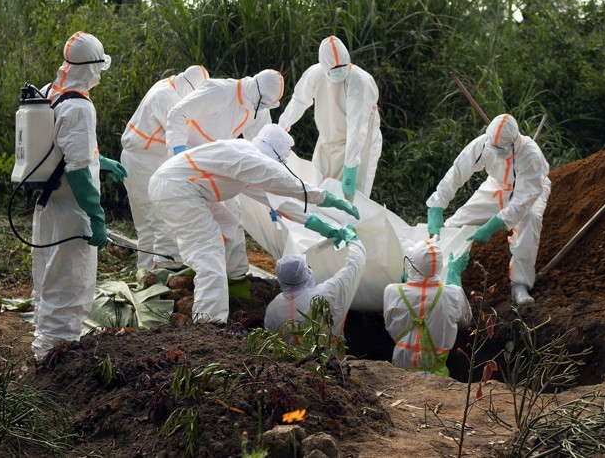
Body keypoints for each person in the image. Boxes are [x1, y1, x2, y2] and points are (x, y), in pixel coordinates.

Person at [148, 124, 359, 324]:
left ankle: (227, 284)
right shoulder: (248, 158)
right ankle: (209, 323)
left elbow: (281, 203)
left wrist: (324, 227)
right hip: (177, 190)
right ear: (273, 155)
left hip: (186, 189)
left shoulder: (246, 163)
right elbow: (286, 182)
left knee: (229, 224)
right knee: (208, 252)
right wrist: (326, 198)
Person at [31, 31, 126, 360]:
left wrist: (101, 161)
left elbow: (61, 151)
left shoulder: (49, 92)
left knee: (48, 278)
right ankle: (59, 357)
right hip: (73, 212)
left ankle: (44, 347)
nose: (100, 74)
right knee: (70, 284)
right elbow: (76, 169)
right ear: (91, 68)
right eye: (99, 68)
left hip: (47, 204)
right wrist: (96, 215)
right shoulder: (81, 107)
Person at [425, 114, 550, 306]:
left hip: (531, 190)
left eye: (501, 149)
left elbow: (522, 201)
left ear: (514, 142)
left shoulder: (530, 155)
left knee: (530, 219)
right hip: (497, 186)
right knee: (459, 221)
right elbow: (457, 171)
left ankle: (520, 284)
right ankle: (431, 263)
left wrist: (493, 226)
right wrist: (437, 205)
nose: (496, 152)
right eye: (494, 147)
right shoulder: (483, 144)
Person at [119, 65, 209, 275]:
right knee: (160, 219)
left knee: (146, 224)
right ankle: (165, 275)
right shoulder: (168, 98)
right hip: (144, 161)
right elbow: (182, 135)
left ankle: (146, 273)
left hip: (138, 158)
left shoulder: (166, 84)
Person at [278, 36, 382, 201]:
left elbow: (357, 127)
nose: (338, 71)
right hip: (328, 141)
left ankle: (351, 226)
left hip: (358, 146)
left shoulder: (359, 81)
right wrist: (282, 127)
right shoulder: (316, 74)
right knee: (319, 191)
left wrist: (350, 167)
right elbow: (299, 100)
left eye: (342, 66)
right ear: (324, 66)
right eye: (333, 69)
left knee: (354, 198)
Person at [382, 240, 470, 376]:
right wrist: (454, 279)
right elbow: (466, 322)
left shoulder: (392, 292)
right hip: (437, 378)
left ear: (411, 265)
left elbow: (389, 323)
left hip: (399, 376)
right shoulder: (453, 294)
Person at [264, 236, 367, 339]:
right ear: (307, 273)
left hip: (286, 355)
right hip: (329, 354)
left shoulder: (273, 308)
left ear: (281, 280)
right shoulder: (325, 295)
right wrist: (352, 239)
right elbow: (354, 266)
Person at [165, 69, 285, 153]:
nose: (262, 107)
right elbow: (177, 113)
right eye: (262, 102)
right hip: (187, 149)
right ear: (256, 88)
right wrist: (179, 150)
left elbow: (261, 144)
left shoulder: (260, 110)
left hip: (213, 158)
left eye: (267, 105)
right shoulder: (221, 91)